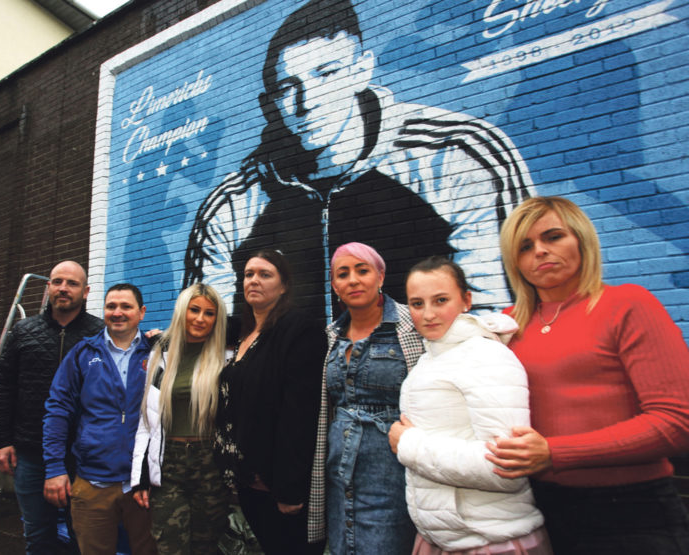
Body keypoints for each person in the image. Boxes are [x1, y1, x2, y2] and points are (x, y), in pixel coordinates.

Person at [183, 0, 533, 323]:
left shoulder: (455, 154)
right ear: (269, 104)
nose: (308, 102)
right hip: (292, 390)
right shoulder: (231, 205)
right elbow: (209, 335)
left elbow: (497, 317)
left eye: (327, 73)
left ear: (363, 69)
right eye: (289, 87)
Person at [487, 196, 689, 554]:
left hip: (630, 513)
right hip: (537, 509)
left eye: (553, 237)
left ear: (581, 239)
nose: (541, 251)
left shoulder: (627, 304)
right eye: (525, 246)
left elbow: (677, 422)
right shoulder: (506, 324)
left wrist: (554, 452)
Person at [388, 256, 551, 555]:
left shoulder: (486, 356)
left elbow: (503, 468)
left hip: (490, 540)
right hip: (444, 537)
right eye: (417, 303)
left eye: (440, 300)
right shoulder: (430, 358)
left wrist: (409, 444)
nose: (428, 314)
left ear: (466, 300)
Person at [310, 242, 424, 554]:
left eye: (363, 270)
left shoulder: (411, 324)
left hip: (394, 476)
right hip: (339, 474)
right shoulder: (330, 336)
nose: (353, 280)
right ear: (334, 285)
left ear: (381, 276)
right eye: (342, 274)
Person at [214, 249, 326, 554]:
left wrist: (288, 488)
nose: (254, 280)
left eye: (265, 274)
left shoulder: (299, 328)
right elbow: (191, 329)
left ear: (284, 285)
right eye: (249, 274)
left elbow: (300, 413)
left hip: (276, 484)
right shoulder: (244, 333)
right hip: (246, 480)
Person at [0, 260, 104, 554]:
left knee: (84, 538)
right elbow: (4, 388)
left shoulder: (101, 334)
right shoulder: (23, 330)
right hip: (30, 452)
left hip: (85, 457)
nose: (63, 289)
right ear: (48, 287)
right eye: (57, 282)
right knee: (38, 536)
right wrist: (2, 440)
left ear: (86, 291)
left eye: (72, 283)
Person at [42, 283, 157, 555]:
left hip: (144, 485)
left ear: (141, 312)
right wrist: (55, 467)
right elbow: (58, 409)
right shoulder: (83, 353)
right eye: (111, 306)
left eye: (126, 306)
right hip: (92, 482)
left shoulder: (158, 352)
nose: (117, 312)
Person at [131, 283, 230, 553]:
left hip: (209, 462)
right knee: (169, 544)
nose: (200, 318)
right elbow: (147, 421)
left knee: (207, 545)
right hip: (168, 463)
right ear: (181, 312)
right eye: (193, 310)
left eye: (209, 313)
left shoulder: (227, 355)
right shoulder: (162, 353)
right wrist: (140, 475)